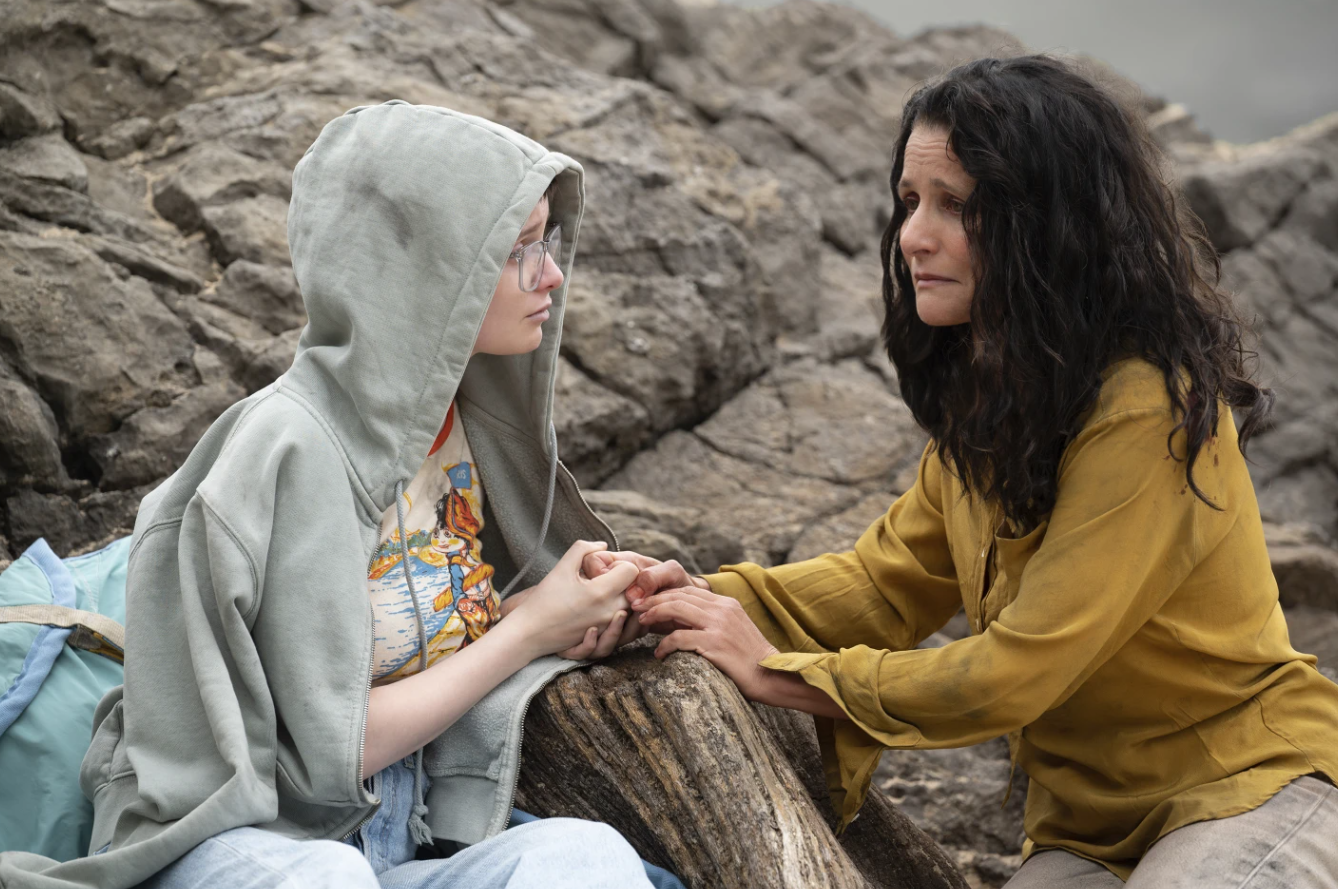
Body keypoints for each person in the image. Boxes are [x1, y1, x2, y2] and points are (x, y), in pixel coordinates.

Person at [613, 56, 1338, 887]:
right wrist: (674, 599)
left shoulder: (1148, 408)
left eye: (958, 206)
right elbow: (885, 587)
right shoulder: (992, 403)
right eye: (911, 202)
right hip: (1086, 831)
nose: (915, 235)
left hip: (1252, 786)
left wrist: (778, 671)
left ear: (1049, 224)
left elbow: (1018, 671)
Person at [0, 100, 678, 889]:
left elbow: (405, 623)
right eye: (519, 249)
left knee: (585, 857)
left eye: (546, 241)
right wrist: (524, 638)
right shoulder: (290, 447)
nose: (553, 276)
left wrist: (575, 605)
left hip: (385, 845)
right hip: (233, 844)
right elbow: (335, 749)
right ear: (427, 271)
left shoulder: (457, 431)